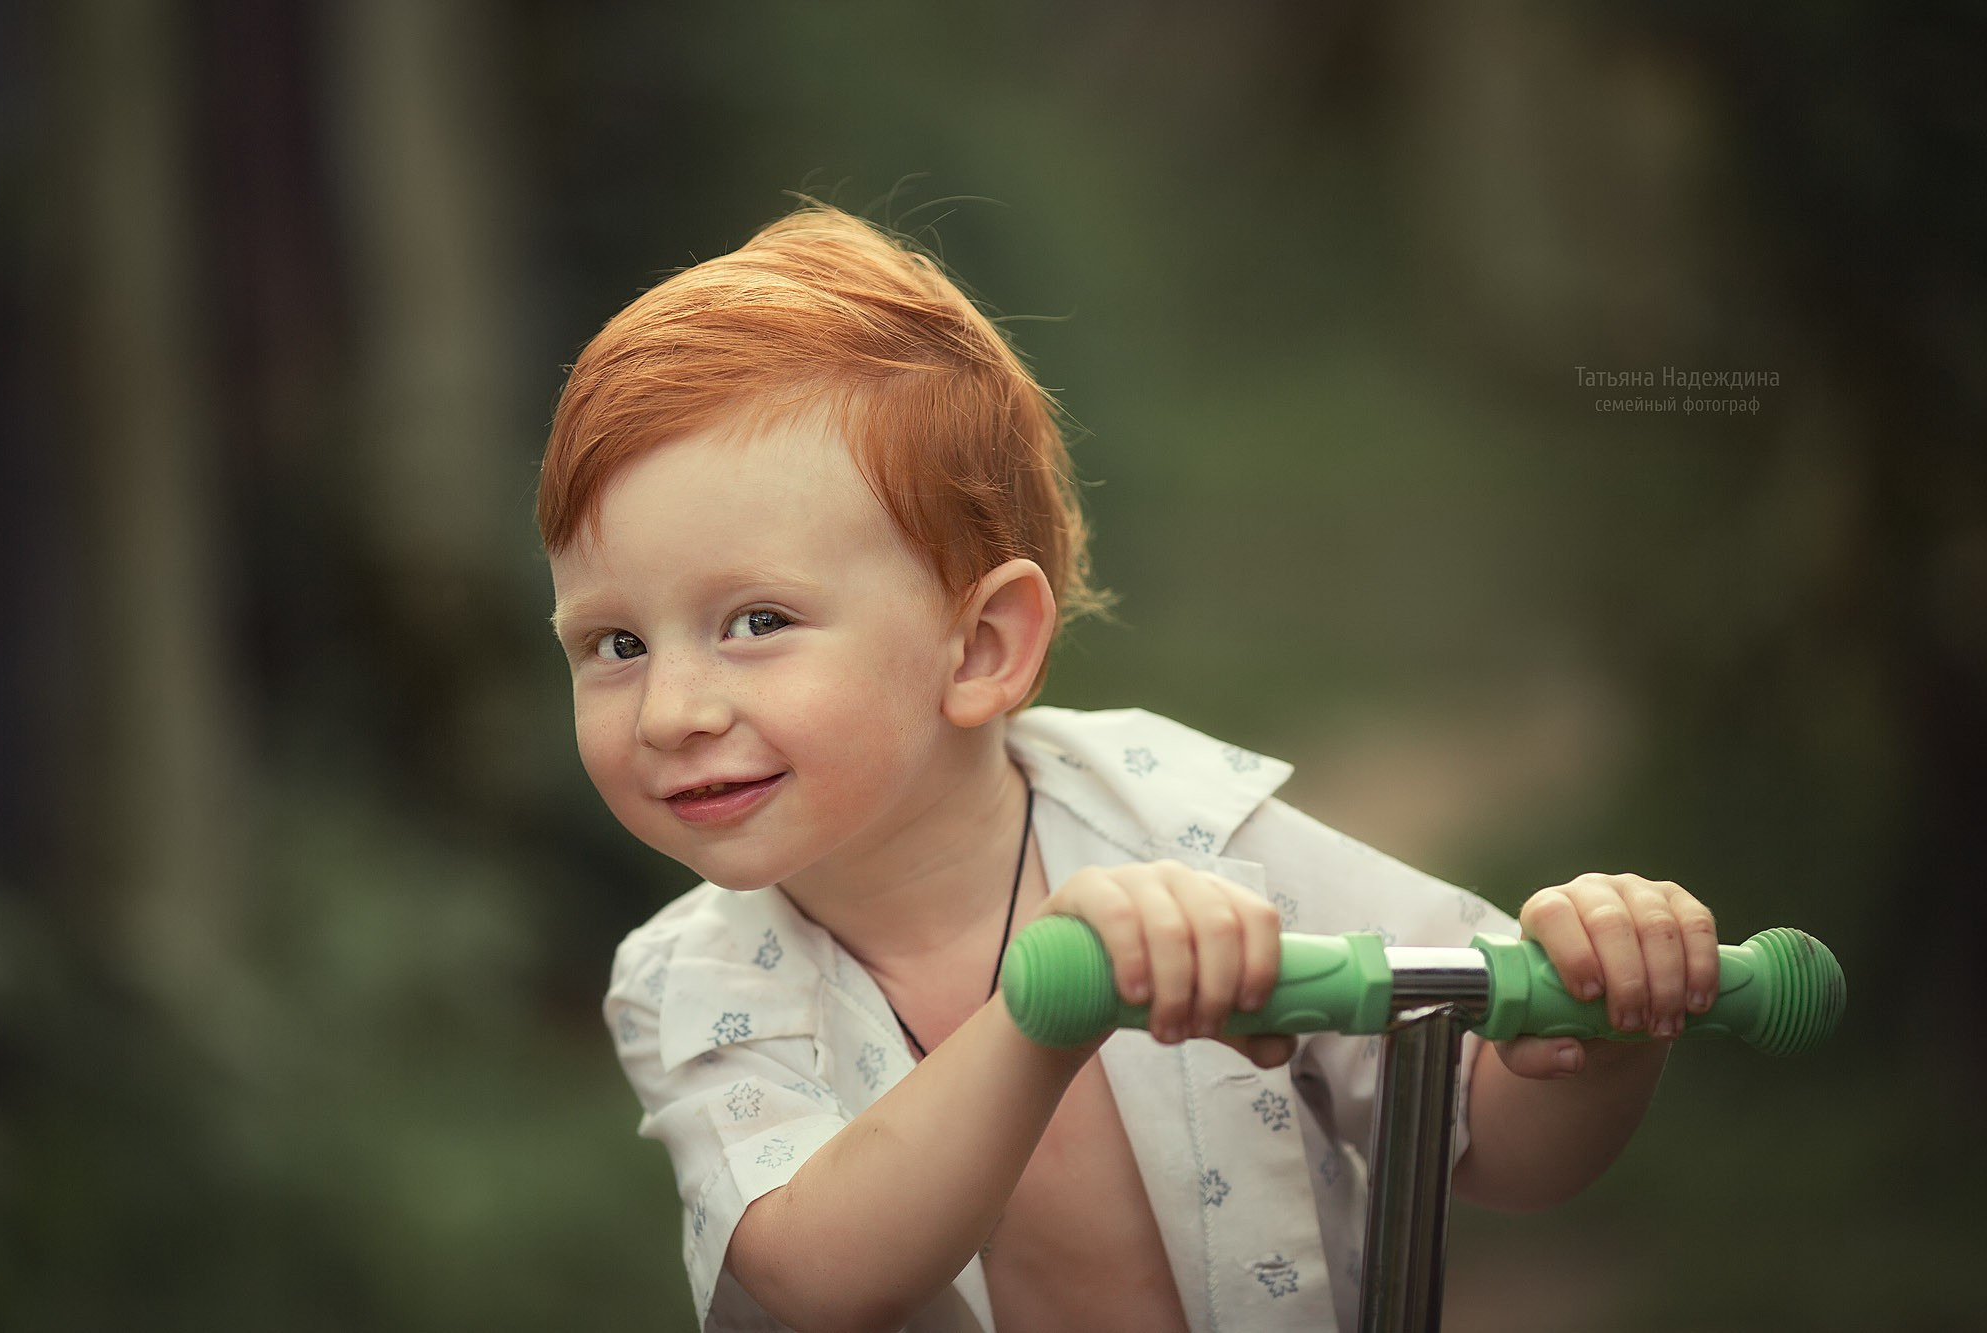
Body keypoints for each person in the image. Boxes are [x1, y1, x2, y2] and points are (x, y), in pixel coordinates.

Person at [537, 203, 1722, 1333]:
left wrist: (1602, 1029)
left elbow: (1485, 1135)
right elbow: (816, 1279)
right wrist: (1044, 1012)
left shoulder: (1185, 830)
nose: (670, 713)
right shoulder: (693, 985)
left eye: (755, 622)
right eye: (615, 644)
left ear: (979, 647)